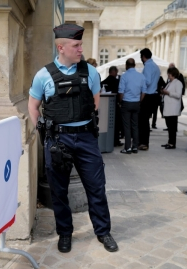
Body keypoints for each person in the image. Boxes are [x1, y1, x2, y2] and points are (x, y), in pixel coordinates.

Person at [28, 23, 118, 253]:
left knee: (96, 187)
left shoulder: (89, 72)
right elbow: (33, 106)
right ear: (61, 47)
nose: (80, 49)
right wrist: (44, 131)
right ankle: (65, 233)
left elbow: (95, 102)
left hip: (86, 138)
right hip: (58, 140)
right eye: (76, 45)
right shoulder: (43, 75)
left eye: (81, 45)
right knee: (59, 190)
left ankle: (103, 232)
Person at [118, 58, 145, 154]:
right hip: (136, 103)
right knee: (135, 125)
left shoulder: (124, 76)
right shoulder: (141, 76)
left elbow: (121, 92)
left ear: (126, 65)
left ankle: (127, 147)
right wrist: (138, 101)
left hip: (126, 102)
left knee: (126, 126)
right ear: (134, 65)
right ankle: (135, 147)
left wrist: (121, 102)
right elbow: (143, 92)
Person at [138, 48, 160, 151]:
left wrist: (139, 87)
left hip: (148, 95)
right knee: (145, 120)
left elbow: (147, 81)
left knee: (143, 120)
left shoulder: (148, 66)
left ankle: (143, 142)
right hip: (154, 95)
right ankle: (144, 142)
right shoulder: (155, 66)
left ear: (143, 57)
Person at [160, 67, 183, 149]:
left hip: (173, 109)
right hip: (168, 108)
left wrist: (168, 92)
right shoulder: (170, 83)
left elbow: (178, 95)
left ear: (173, 74)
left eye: (169, 73)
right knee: (169, 127)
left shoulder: (178, 83)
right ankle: (170, 142)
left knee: (172, 128)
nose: (168, 75)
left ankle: (172, 143)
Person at [102, 66, 123, 146]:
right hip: (115, 105)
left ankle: (107, 139)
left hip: (105, 105)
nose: (117, 73)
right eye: (116, 72)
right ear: (114, 72)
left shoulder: (104, 81)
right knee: (116, 124)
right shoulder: (117, 82)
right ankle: (115, 141)